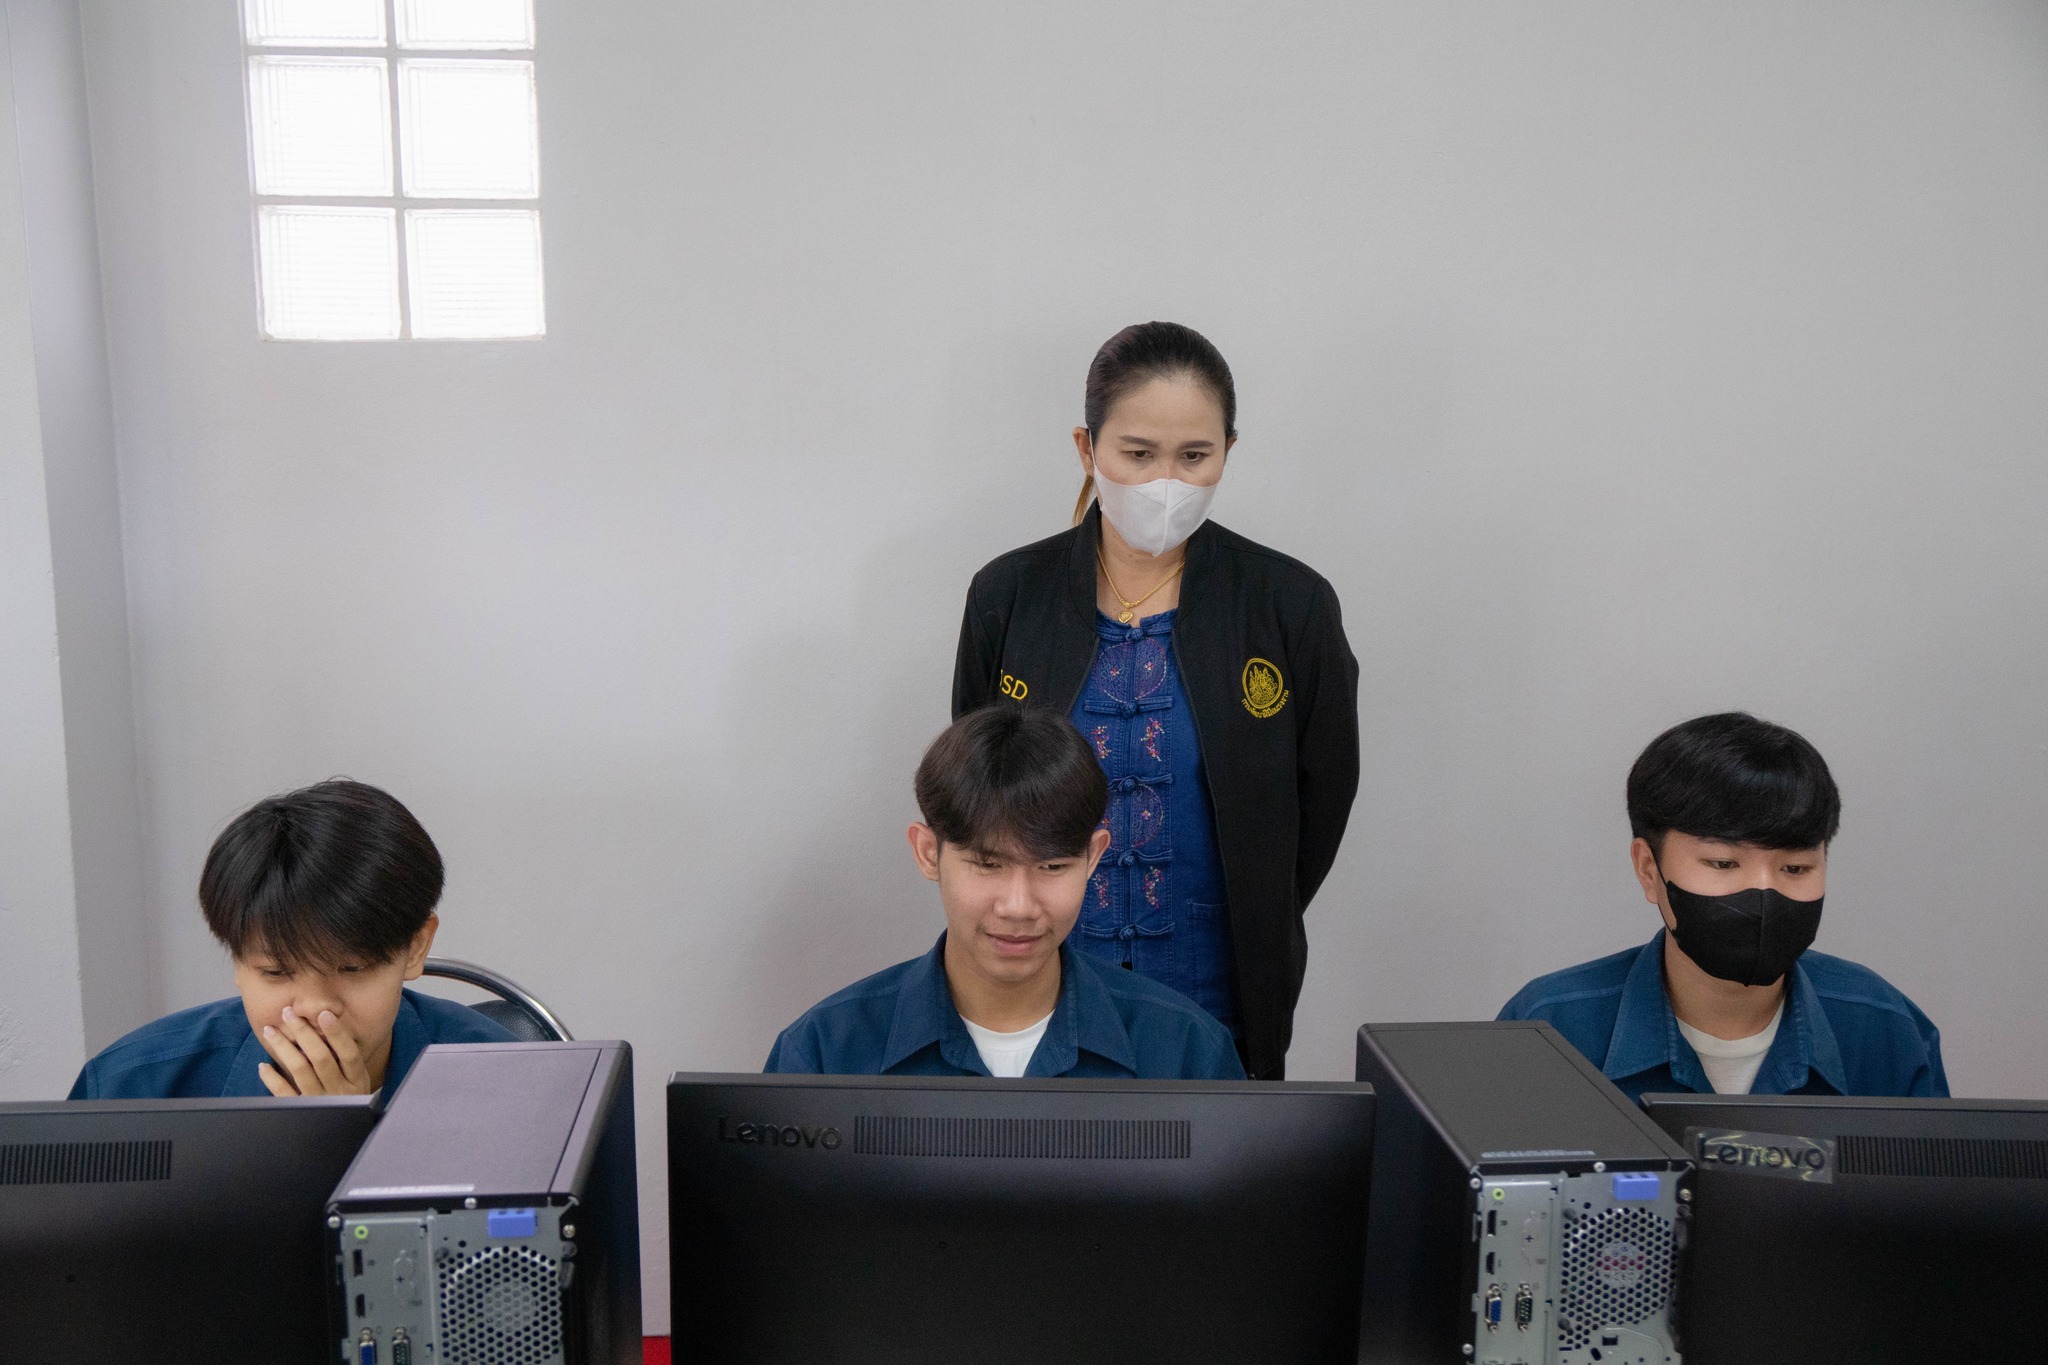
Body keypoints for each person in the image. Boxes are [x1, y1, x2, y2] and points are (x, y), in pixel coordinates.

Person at [950, 321, 1359, 1079]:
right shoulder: (1008, 597)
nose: (1165, 480)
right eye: (1137, 453)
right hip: (1041, 978)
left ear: (1228, 451)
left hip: (1218, 981)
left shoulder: (1288, 604)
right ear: (1087, 448)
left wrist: (1252, 900)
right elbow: (977, 796)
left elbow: (1319, 800)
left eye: (1194, 455)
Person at [766, 707, 1245, 1080]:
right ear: (929, 853)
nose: (1018, 907)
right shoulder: (824, 1054)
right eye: (987, 865)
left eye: (1052, 866)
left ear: (1094, 857)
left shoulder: (1187, 1052)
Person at [1499, 712, 1947, 1101]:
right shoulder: (1548, 1031)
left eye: (1795, 868)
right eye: (1723, 863)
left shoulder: (1885, 1028)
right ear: (1649, 870)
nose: (1763, 893)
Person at [69, 779, 513, 1101]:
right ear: (238, 965)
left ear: (415, 947)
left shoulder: (509, 1080)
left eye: (352, 968)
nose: (316, 1009)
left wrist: (349, 1133)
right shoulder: (131, 1087)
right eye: (276, 972)